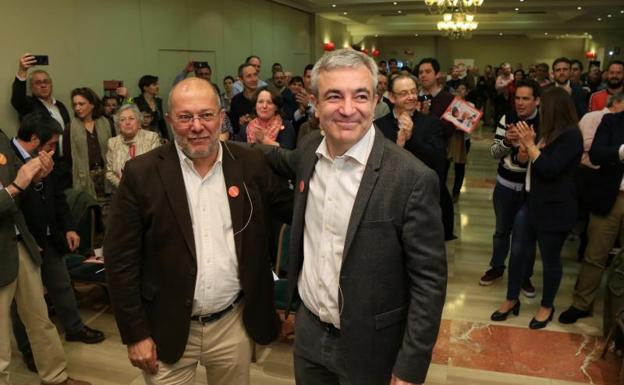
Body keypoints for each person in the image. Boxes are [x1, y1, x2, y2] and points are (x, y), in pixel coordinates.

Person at [262, 48, 447, 385]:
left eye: (360, 96)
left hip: (372, 345)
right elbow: (276, 159)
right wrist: (219, 147)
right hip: (308, 334)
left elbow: (429, 283)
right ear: (315, 103)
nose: (348, 110)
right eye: (334, 96)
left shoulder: (411, 178)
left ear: (377, 100)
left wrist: (410, 366)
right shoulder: (308, 152)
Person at [104, 77, 292, 385]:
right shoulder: (142, 174)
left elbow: (293, 207)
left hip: (233, 323)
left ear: (221, 117)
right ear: (169, 120)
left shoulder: (249, 163)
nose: (197, 126)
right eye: (185, 117)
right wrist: (135, 333)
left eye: (206, 115)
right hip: (166, 325)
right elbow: (120, 260)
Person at [9, 113, 105, 374]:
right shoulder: (7, 159)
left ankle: (74, 328)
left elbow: (58, 198)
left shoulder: (45, 160)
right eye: (50, 144)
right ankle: (30, 351)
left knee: (61, 283)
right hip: (24, 240)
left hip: (51, 236)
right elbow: (12, 207)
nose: (53, 150)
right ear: (35, 139)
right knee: (25, 303)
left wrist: (70, 228)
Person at [491, 87, 583, 329]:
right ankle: (511, 299)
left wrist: (530, 145)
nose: (540, 112)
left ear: (555, 110)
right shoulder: (545, 132)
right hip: (530, 202)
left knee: (551, 260)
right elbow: (528, 161)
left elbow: (550, 169)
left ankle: (546, 306)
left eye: (544, 108)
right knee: (518, 251)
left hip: (555, 209)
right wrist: (523, 148)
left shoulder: (572, 136)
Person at [559, 108, 624, 324]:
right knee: (595, 254)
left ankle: (619, 312)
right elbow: (595, 153)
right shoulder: (611, 121)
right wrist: (622, 151)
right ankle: (581, 304)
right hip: (611, 197)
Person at [479, 80, 541, 294]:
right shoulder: (508, 118)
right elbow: (494, 152)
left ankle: (525, 276)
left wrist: (528, 147)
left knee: (528, 237)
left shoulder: (544, 122)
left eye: (526, 99)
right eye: (517, 98)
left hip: (531, 189)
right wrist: (506, 141)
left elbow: (546, 159)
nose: (521, 103)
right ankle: (497, 267)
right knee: (501, 231)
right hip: (505, 186)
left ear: (537, 101)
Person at [11, 53, 72, 189]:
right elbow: (17, 99)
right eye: (38, 83)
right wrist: (22, 70)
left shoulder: (60, 106)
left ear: (51, 85)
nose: (43, 85)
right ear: (31, 87)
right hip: (41, 163)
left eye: (46, 82)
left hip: (63, 164)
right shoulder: (29, 104)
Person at [416, 57, 456, 240]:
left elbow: (450, 128)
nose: (423, 75)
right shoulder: (416, 97)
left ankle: (443, 230)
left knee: (438, 189)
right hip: (417, 150)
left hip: (440, 151)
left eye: (427, 71)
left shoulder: (448, 98)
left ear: (437, 74)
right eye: (420, 72)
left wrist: (427, 120)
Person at [65, 87, 112, 199]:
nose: (77, 108)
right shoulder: (70, 128)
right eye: (75, 104)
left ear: (92, 104)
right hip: (84, 177)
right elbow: (68, 158)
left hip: (107, 175)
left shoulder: (107, 123)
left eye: (81, 104)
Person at [105, 104, 161, 190]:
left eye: (131, 118)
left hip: (149, 191)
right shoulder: (112, 143)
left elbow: (156, 168)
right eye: (122, 120)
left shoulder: (151, 138)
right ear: (118, 126)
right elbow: (109, 173)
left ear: (139, 123)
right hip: (122, 193)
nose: (127, 122)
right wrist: (126, 188)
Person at [133, 75, 169, 140]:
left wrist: (166, 137)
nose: (157, 87)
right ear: (145, 88)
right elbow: (128, 102)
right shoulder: (136, 100)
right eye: (154, 85)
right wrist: (127, 96)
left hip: (157, 136)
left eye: (157, 84)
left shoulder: (158, 101)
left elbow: (161, 121)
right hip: (141, 137)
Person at [229, 63, 258, 135]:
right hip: (244, 141)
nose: (254, 79)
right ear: (241, 79)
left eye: (255, 75)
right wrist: (240, 123)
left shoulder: (265, 97)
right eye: (249, 76)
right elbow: (233, 128)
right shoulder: (236, 100)